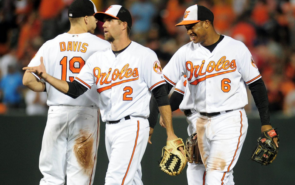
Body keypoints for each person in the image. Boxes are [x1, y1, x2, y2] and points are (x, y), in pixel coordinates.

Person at [23, 5, 182, 185]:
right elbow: (75, 89)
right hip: (109, 126)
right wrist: (47, 77)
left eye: (109, 20)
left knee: (114, 181)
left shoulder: (143, 54)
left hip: (133, 124)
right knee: (130, 181)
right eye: (102, 20)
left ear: (123, 25)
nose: (103, 24)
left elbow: (160, 93)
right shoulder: (98, 56)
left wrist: (170, 133)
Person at [160, 4, 279, 185]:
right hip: (196, 123)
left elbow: (257, 85)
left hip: (229, 120)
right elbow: (172, 93)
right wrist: (161, 118)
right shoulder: (186, 54)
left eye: (192, 25)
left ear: (207, 23)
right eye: (186, 27)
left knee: (216, 177)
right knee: (199, 180)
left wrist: (266, 123)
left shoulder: (235, 48)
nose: (188, 30)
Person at [22, 0, 110, 184]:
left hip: (56, 113)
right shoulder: (101, 45)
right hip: (85, 113)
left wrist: (51, 86)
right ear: (86, 19)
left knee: (50, 177)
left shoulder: (51, 44)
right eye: (95, 18)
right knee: (80, 178)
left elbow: (28, 80)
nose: (97, 23)